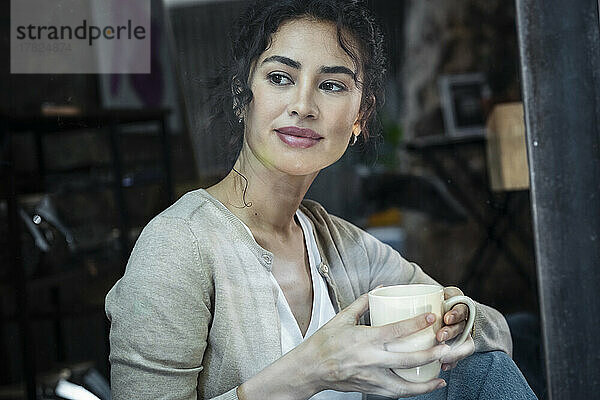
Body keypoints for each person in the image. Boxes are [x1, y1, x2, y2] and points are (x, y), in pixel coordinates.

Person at [105, 1, 537, 399]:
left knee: (486, 367)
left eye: (331, 85)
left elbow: (495, 331)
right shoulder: (178, 245)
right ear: (242, 96)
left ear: (360, 118)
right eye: (280, 78)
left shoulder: (344, 247)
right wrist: (310, 369)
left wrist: (455, 322)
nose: (303, 105)